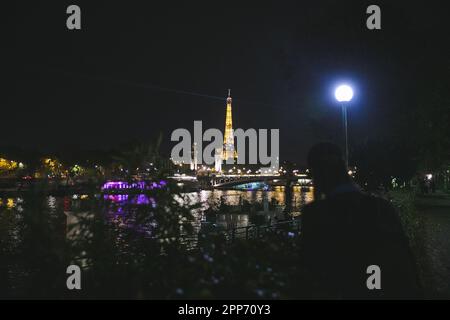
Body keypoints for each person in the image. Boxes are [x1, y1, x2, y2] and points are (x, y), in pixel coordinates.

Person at [299, 142, 421, 299]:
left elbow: (310, 272)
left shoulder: (315, 214)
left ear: (316, 174)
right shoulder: (381, 207)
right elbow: (405, 264)